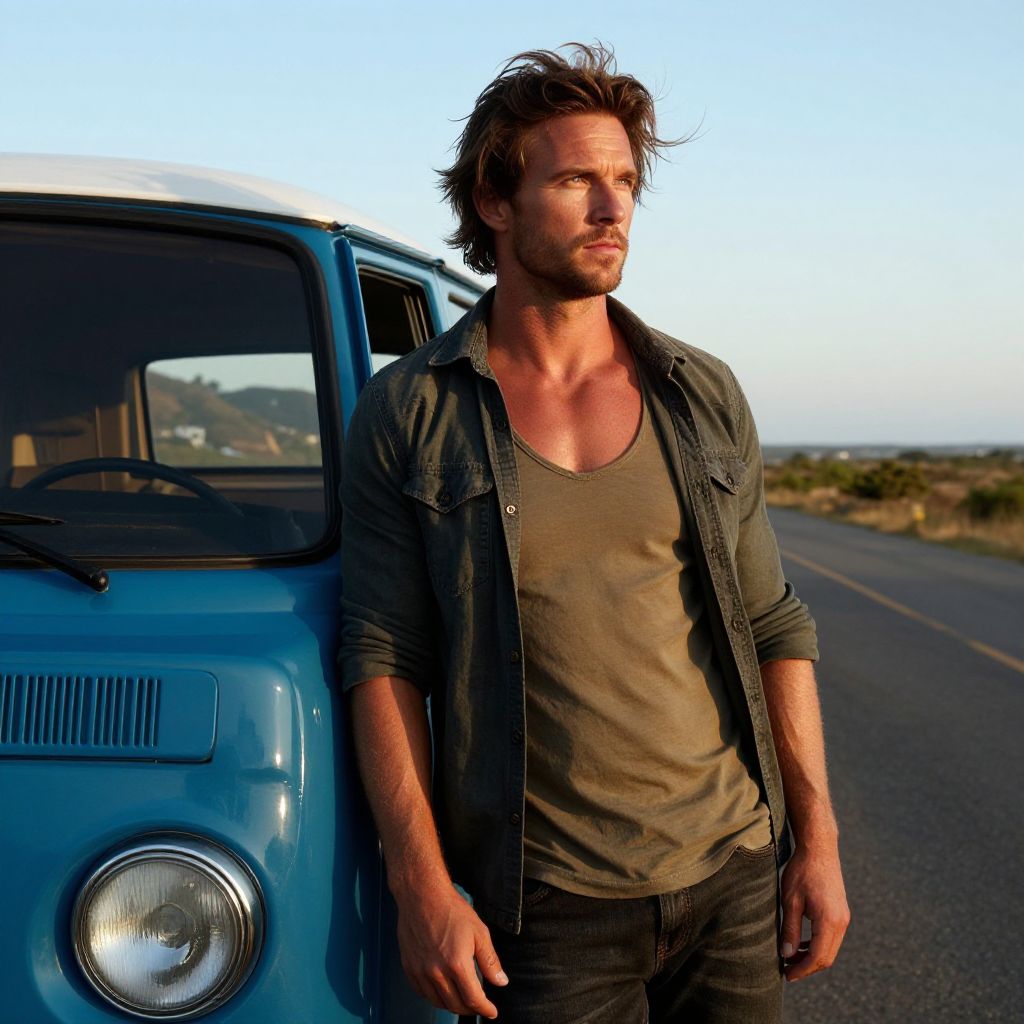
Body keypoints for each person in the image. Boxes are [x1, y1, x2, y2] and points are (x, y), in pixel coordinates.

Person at [340, 44, 849, 1023]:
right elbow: (383, 656)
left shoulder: (699, 392)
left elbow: (772, 623)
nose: (613, 209)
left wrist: (816, 844)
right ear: (495, 201)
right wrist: (420, 886)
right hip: (545, 904)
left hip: (731, 873)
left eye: (625, 182)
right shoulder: (411, 411)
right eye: (577, 181)